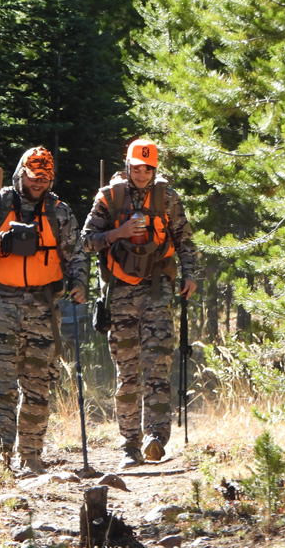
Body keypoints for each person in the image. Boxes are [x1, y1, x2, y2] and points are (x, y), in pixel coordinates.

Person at [0, 146, 88, 476]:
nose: (39, 184)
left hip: (43, 306)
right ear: (21, 174)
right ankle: (0, 458)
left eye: (45, 179)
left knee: (38, 383)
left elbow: (76, 254)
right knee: (0, 382)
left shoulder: (59, 211)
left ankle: (30, 456)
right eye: (34, 178)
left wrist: (79, 284)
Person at [82, 138, 198, 468]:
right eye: (136, 167)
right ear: (128, 165)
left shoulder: (167, 198)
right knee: (127, 370)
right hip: (120, 292)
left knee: (158, 365)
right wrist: (118, 233)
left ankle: (156, 439)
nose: (142, 173)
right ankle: (128, 443)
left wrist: (189, 276)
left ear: (154, 168)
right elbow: (87, 241)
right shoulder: (109, 197)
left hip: (158, 289)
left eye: (148, 168)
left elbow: (185, 241)